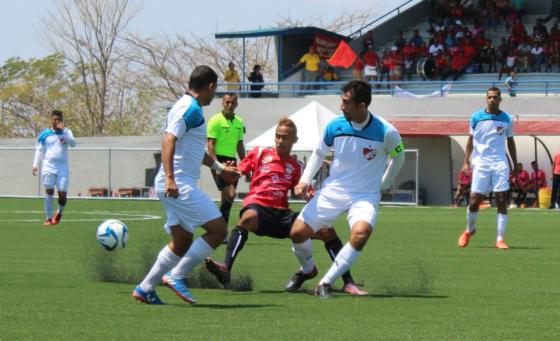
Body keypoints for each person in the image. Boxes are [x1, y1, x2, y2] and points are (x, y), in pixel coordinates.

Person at [204, 117, 367, 295]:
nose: (280, 141)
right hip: (258, 208)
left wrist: (308, 194)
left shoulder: (297, 166)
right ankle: (226, 268)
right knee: (248, 217)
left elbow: (306, 191)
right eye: (278, 136)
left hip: (282, 215)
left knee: (327, 231)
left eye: (285, 138)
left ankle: (346, 281)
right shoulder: (259, 154)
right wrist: (227, 173)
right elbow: (235, 174)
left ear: (294, 140)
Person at [132, 65, 241, 305]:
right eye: (215, 90)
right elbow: (168, 140)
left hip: (174, 183)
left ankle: (145, 288)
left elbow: (191, 150)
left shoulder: (187, 107)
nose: (215, 95)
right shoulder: (190, 109)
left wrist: (221, 169)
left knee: (182, 241)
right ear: (210, 86)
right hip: (178, 184)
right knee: (219, 230)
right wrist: (171, 177)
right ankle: (177, 275)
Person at [288, 80, 405, 298]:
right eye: (342, 101)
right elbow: (319, 153)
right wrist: (304, 180)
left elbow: (399, 157)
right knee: (297, 233)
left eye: (347, 103)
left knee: (361, 234)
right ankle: (307, 270)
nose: (342, 107)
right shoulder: (335, 125)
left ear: (362, 106)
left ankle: (326, 283)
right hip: (333, 191)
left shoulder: (386, 131)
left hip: (365, 196)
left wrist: (384, 184)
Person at [458, 87, 518, 250]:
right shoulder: (476, 117)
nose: (492, 100)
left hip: (500, 163)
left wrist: (514, 164)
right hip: (481, 163)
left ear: (500, 99)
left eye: (495, 97)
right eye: (490, 97)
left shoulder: (507, 119)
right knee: (474, 201)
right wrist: (466, 161)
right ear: (486, 99)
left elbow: (510, 142)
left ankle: (500, 239)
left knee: (501, 200)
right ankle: (469, 230)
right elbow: (470, 140)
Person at [207, 93, 246, 233]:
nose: (230, 105)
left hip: (232, 162)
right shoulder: (215, 120)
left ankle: (220, 231)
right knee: (230, 194)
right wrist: (216, 165)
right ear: (222, 103)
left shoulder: (239, 122)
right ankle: (220, 230)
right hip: (219, 160)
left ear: (236, 104)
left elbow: (240, 146)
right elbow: (210, 145)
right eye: (227, 102)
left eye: (233, 102)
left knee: (226, 200)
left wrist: (246, 166)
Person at [32, 110, 76, 225]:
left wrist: (65, 133)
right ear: (51, 120)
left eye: (59, 120)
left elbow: (73, 144)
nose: (57, 122)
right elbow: (39, 149)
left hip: (62, 168)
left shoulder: (67, 132)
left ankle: (59, 212)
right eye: (55, 119)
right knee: (49, 191)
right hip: (48, 167)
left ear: (62, 121)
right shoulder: (44, 134)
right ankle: (48, 218)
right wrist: (35, 165)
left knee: (62, 195)